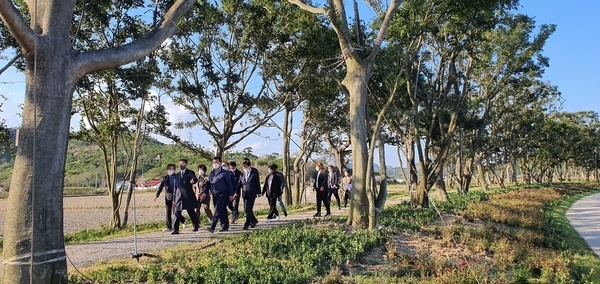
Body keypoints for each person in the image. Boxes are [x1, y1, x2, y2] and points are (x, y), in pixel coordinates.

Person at [203, 157, 235, 233]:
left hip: (223, 194)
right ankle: (225, 225)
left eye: (217, 162)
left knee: (217, 210)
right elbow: (208, 184)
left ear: (220, 163)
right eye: (214, 162)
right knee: (222, 210)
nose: (215, 164)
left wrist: (231, 194)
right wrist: (204, 192)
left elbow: (229, 184)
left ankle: (212, 226)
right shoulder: (211, 173)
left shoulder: (225, 173)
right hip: (214, 194)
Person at [172, 159, 201, 234]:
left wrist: (193, 180)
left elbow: (194, 178)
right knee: (177, 213)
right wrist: (174, 198)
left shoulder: (190, 172)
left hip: (188, 196)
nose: (181, 165)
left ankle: (196, 225)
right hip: (179, 196)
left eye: (183, 164)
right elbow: (175, 187)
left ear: (186, 164)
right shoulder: (177, 175)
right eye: (180, 164)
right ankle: (175, 229)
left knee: (191, 211)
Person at [154, 164, 177, 231]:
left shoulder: (177, 177)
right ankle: (168, 226)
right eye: (169, 169)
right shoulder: (165, 178)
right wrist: (157, 195)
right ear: (167, 170)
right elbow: (161, 187)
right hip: (168, 196)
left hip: (176, 196)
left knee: (175, 211)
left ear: (174, 170)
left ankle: (178, 223)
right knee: (168, 211)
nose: (171, 170)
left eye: (172, 169)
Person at [240, 159, 260, 230]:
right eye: (243, 167)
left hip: (252, 193)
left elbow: (257, 182)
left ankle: (247, 224)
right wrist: (236, 192)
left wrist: (259, 192)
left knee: (249, 209)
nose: (244, 168)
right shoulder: (242, 173)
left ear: (249, 166)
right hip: (245, 194)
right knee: (246, 209)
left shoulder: (254, 172)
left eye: (245, 167)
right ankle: (254, 220)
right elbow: (240, 183)